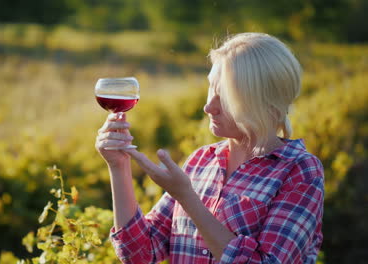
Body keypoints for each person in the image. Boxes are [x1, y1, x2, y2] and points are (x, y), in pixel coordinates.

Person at [95, 33, 324, 264]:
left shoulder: (300, 171)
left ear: (263, 101)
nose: (208, 107)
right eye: (210, 89)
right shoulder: (201, 161)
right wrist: (118, 166)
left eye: (224, 96)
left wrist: (187, 198)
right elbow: (140, 255)